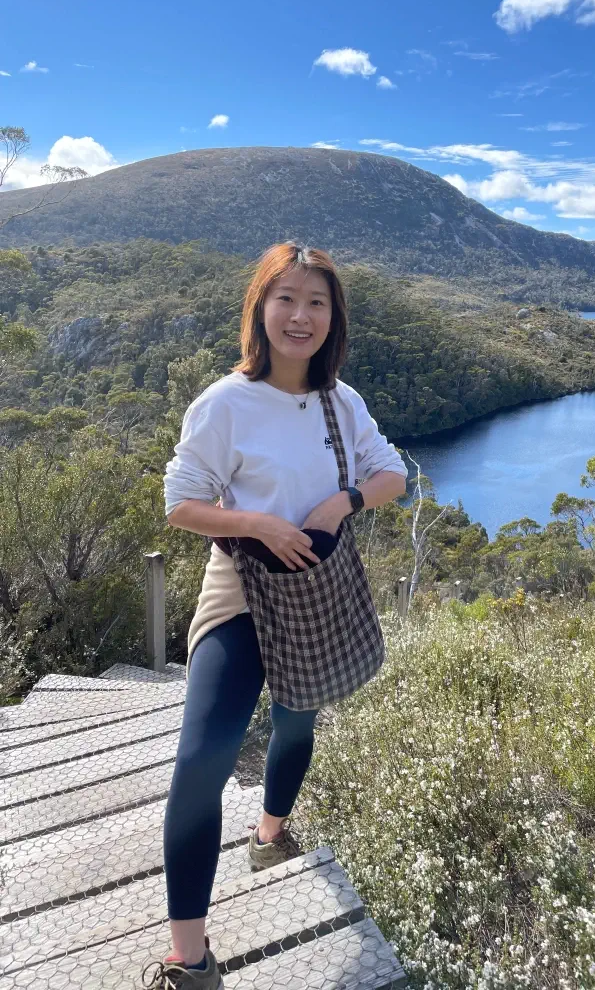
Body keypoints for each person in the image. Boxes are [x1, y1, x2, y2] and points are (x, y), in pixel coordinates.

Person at [140, 242, 408, 989]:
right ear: (260, 307)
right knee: (200, 762)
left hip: (317, 590)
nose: (301, 315)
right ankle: (188, 959)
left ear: (333, 317)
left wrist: (339, 502)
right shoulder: (225, 402)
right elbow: (180, 503)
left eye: (316, 302)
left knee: (297, 720)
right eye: (285, 298)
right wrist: (258, 525)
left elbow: (391, 475)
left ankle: (271, 834)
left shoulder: (340, 402)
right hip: (242, 588)